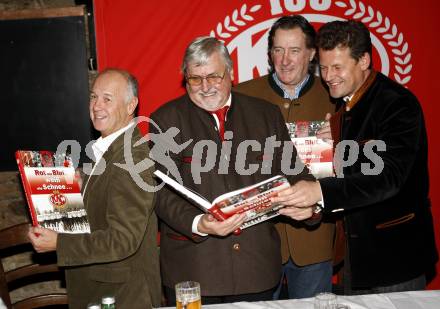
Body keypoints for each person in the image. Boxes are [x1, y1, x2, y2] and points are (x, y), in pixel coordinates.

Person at [150, 36, 320, 305]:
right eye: (195, 79)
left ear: (230, 73)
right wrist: (199, 224)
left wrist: (310, 205)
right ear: (185, 78)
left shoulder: (266, 115)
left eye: (214, 76)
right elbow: (159, 191)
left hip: (257, 269)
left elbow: (296, 173)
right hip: (194, 270)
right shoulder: (165, 119)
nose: (205, 87)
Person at [283, 19, 438, 294]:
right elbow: (348, 174)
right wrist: (314, 208)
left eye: (338, 67)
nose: (328, 76)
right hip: (355, 259)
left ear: (364, 60)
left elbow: (387, 177)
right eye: (324, 67)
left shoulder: (398, 104)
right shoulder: (346, 105)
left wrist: (318, 192)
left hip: (395, 259)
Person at [28, 69, 162, 308]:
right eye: (93, 97)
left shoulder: (132, 159)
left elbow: (122, 240)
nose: (97, 106)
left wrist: (60, 243)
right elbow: (103, 208)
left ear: (131, 105)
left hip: (124, 296)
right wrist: (79, 192)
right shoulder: (102, 149)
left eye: (107, 99)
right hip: (100, 290)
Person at [234, 15, 335, 299]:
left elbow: (358, 168)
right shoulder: (242, 96)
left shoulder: (334, 96)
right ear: (269, 54)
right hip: (260, 241)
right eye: (278, 50)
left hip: (315, 240)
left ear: (312, 54)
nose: (285, 60)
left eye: (294, 50)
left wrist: (340, 142)